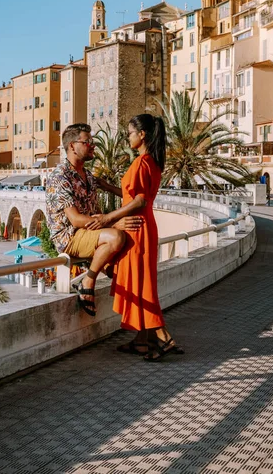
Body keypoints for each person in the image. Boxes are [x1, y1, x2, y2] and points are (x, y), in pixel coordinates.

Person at [88, 114, 183, 361]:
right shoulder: (151, 161)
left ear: (142, 135)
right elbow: (134, 195)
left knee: (141, 286)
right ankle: (142, 341)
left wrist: (108, 218)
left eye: (130, 132)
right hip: (143, 227)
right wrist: (107, 187)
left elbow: (139, 200)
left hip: (138, 229)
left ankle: (164, 338)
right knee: (138, 282)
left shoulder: (142, 163)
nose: (127, 136)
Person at [46, 123, 142, 317]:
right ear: (72, 146)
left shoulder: (88, 177)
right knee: (116, 237)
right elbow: (75, 220)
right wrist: (113, 224)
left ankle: (139, 325)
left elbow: (102, 209)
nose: (93, 146)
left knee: (128, 268)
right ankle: (88, 280)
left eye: (93, 142)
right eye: (88, 142)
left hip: (90, 234)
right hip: (69, 237)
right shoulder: (60, 176)